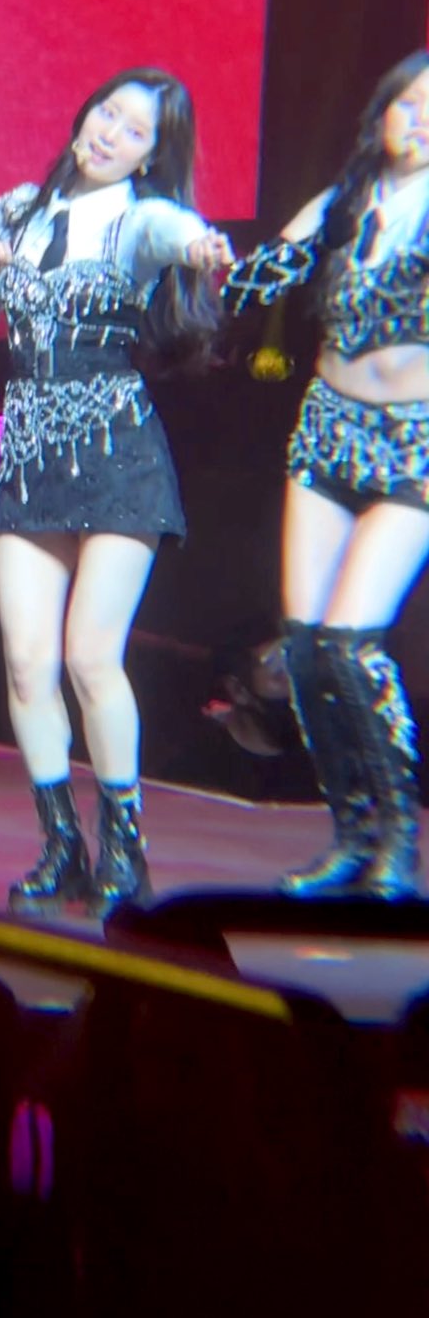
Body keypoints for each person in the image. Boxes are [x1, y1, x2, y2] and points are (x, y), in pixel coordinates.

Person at [0, 70, 231, 918]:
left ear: (151, 156)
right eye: (109, 113)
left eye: (136, 132)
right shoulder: (17, 209)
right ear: (85, 114)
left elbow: (177, 233)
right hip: (28, 452)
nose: (112, 134)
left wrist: (202, 246)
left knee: (90, 657)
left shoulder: (140, 219)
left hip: (116, 450)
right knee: (26, 661)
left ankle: (125, 849)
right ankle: (60, 842)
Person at [224, 50, 429, 897]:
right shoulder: (344, 201)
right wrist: (223, 265)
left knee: (350, 643)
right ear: (382, 113)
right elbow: (253, 283)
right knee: (305, 649)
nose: (421, 120)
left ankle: (399, 840)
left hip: (415, 443)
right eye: (410, 104)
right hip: (327, 431)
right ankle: (350, 835)